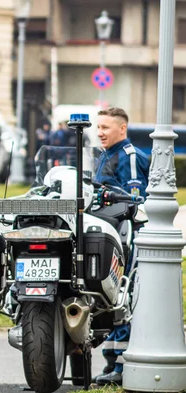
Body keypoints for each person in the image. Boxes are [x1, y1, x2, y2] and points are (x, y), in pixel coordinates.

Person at [92, 107, 149, 386]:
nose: (99, 132)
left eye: (105, 127)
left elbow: (134, 200)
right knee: (111, 295)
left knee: (124, 295)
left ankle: (122, 366)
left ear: (122, 129)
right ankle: (112, 362)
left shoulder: (129, 156)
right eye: (98, 127)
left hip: (128, 236)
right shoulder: (106, 155)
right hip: (111, 234)